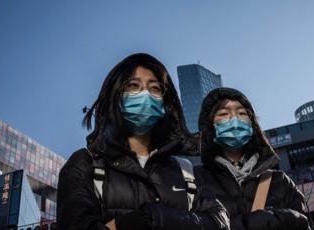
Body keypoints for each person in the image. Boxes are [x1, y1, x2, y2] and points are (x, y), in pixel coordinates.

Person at [56, 53, 229, 230]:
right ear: (117, 97)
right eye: (133, 85)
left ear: (165, 103)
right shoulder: (85, 164)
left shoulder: (186, 171)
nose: (145, 94)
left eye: (154, 88)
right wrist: (135, 221)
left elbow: (220, 222)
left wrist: (158, 218)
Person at [195, 87, 310, 230]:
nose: (235, 120)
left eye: (242, 113)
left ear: (252, 124)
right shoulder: (196, 181)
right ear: (210, 127)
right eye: (224, 113)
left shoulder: (279, 181)